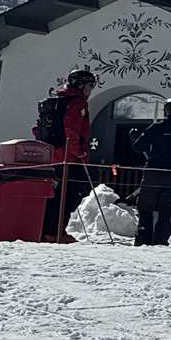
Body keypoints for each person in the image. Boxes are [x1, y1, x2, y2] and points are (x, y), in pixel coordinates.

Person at [136, 97, 171, 246]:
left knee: (145, 208)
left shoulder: (156, 127)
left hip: (154, 173)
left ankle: (143, 240)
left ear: (165, 110)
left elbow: (138, 146)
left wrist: (135, 136)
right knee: (165, 212)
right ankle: (160, 241)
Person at [51, 67, 94, 241]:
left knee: (54, 197)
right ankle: (57, 232)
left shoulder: (58, 100)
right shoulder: (77, 103)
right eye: (90, 86)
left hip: (52, 156)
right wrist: (80, 153)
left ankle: (50, 230)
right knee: (68, 197)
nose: (90, 91)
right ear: (82, 85)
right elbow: (72, 130)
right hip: (69, 158)